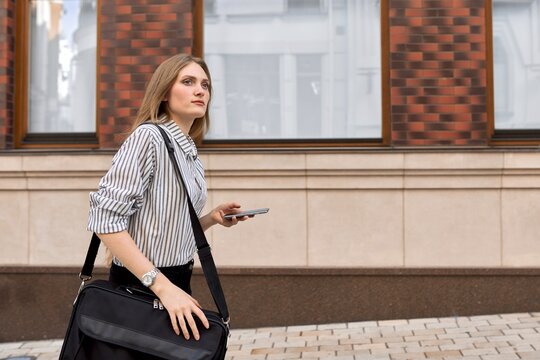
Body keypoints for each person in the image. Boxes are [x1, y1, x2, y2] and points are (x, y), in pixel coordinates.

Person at [87, 53, 247, 342]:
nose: (201, 90)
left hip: (176, 286)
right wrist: (162, 287)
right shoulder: (148, 138)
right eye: (188, 82)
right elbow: (105, 219)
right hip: (141, 290)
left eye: (206, 84)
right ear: (163, 93)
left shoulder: (187, 151)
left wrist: (211, 219)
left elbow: (166, 226)